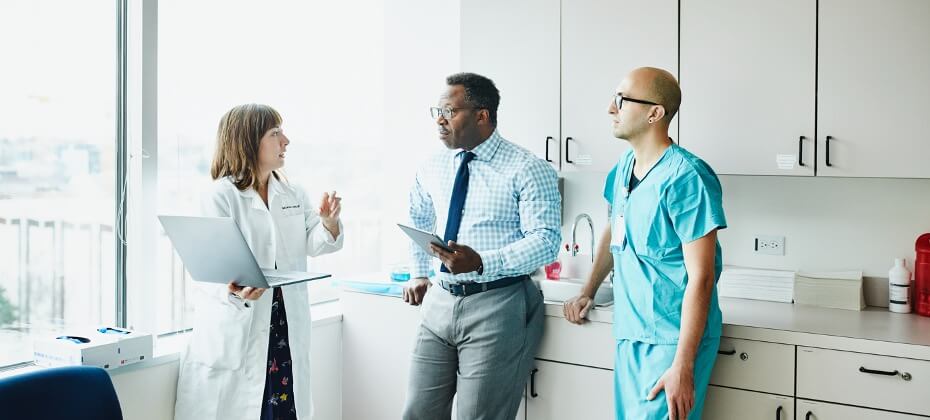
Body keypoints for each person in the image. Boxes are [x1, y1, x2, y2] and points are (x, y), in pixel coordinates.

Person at [563, 67, 727, 420]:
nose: (611, 108)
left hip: (672, 339)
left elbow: (702, 277)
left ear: (655, 113)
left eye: (621, 100)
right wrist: (587, 289)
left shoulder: (687, 177)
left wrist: (683, 365)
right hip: (631, 333)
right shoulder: (624, 167)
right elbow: (614, 229)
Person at [401, 73, 561, 420]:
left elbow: (547, 241)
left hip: (498, 304)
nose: (439, 119)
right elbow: (418, 219)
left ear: (482, 115)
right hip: (439, 302)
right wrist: (417, 273)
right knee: (417, 413)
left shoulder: (529, 168)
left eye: (449, 110)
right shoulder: (432, 165)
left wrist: (481, 262)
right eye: (436, 111)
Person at [174, 104, 344, 420]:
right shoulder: (219, 196)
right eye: (275, 133)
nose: (286, 141)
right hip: (240, 323)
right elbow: (205, 270)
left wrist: (329, 222)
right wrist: (234, 291)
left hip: (283, 326)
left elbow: (316, 243)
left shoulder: (292, 192)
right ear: (250, 141)